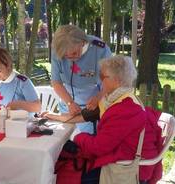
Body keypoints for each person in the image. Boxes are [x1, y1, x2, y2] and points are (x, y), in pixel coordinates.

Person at [46, 55, 162, 184]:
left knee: (62, 173)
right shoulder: (113, 100)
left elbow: (98, 147)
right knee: (66, 158)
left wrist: (76, 137)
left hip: (129, 168)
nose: (100, 80)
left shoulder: (125, 109)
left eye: (102, 77)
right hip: (120, 156)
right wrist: (52, 116)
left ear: (117, 80)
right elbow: (81, 117)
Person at [51, 24, 112, 134]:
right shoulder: (57, 49)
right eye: (66, 56)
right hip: (67, 104)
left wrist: (98, 97)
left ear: (82, 42)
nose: (71, 58)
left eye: (74, 53)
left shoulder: (100, 49)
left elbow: (110, 80)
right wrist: (70, 103)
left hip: (91, 107)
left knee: (86, 143)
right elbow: (56, 82)